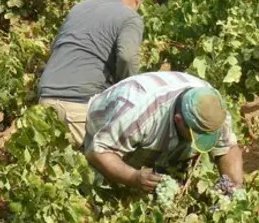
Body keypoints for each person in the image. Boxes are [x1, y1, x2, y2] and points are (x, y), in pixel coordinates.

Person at [38, 0, 149, 147]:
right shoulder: (130, 17)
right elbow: (127, 57)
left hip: (46, 97)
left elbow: (57, 45)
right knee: (97, 168)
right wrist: (127, 94)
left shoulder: (79, 8)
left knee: (44, 168)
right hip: (79, 105)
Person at [83, 71, 244, 191]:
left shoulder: (213, 109)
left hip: (150, 133)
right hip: (104, 131)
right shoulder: (139, 112)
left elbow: (228, 148)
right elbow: (98, 152)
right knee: (108, 191)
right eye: (196, 134)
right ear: (178, 120)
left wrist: (233, 190)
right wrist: (134, 177)